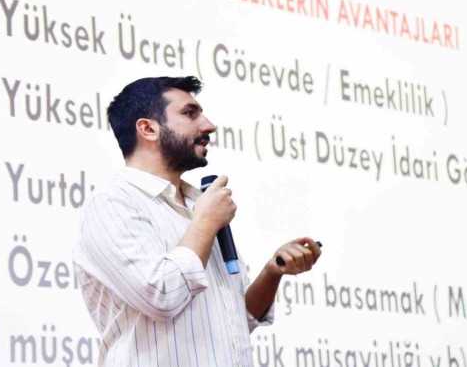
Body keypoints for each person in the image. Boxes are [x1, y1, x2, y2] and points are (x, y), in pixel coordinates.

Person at [73, 76, 321, 366]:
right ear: (148, 129)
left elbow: (235, 321)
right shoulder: (113, 203)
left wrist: (272, 272)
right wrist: (205, 223)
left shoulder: (198, 205)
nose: (209, 126)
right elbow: (161, 296)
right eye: (190, 113)